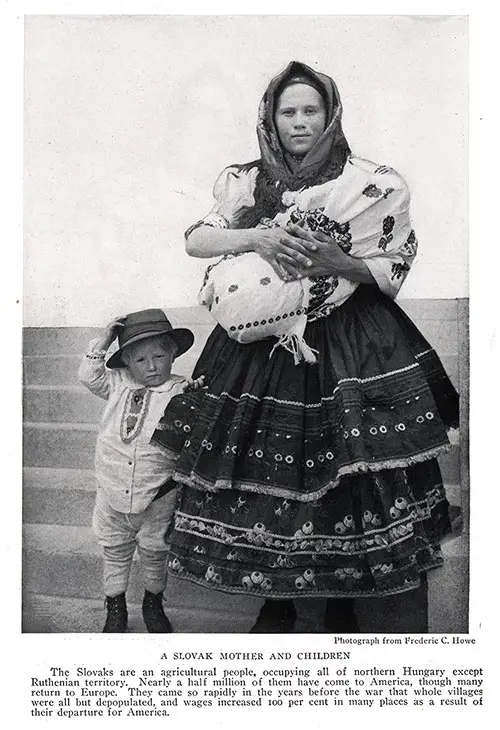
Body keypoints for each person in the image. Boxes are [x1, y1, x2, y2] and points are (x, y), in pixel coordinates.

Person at [152, 61, 459, 633]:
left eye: (310, 111)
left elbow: (393, 260)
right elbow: (198, 238)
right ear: (271, 118)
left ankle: (345, 594)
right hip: (264, 340)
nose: (299, 122)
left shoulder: (369, 183)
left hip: (350, 338)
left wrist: (336, 261)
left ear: (330, 115)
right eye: (287, 111)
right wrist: (260, 235)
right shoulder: (245, 179)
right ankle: (278, 600)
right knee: (266, 468)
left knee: (350, 466)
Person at [78, 308, 202, 633]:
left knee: (155, 551)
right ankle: (115, 606)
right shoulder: (116, 383)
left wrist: (199, 395)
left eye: (159, 356)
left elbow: (196, 418)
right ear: (127, 363)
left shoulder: (180, 389)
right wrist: (103, 341)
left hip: (158, 493)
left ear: (173, 354)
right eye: (140, 360)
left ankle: (153, 602)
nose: (151, 367)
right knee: (115, 550)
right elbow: (88, 376)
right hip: (111, 489)